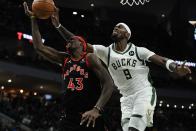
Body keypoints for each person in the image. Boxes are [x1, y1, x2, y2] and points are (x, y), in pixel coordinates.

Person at [48, 7, 192, 131]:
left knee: (135, 127)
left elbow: (161, 60)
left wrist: (175, 67)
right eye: (115, 27)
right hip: (126, 98)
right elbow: (78, 42)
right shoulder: (106, 51)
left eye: (120, 27)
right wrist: (58, 25)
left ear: (127, 35)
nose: (116, 28)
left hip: (144, 93)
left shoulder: (138, 50)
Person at [23, 2, 114, 131]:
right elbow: (39, 47)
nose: (69, 40)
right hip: (68, 118)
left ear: (82, 45)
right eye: (69, 40)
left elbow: (109, 83)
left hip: (89, 116)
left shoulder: (89, 58)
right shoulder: (65, 59)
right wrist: (33, 19)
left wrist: (96, 109)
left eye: (73, 39)